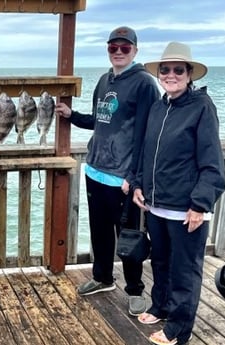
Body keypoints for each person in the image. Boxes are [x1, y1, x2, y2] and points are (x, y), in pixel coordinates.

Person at [55, 26, 160, 316]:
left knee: (129, 237)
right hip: (96, 170)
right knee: (100, 233)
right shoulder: (104, 80)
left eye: (124, 48)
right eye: (113, 47)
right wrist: (71, 116)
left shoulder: (145, 84)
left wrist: (134, 177)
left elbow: (146, 136)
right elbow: (101, 121)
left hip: (124, 180)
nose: (118, 52)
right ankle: (102, 278)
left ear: (135, 51)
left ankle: (136, 289)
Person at [133, 42, 225, 345]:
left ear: (189, 75)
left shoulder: (202, 107)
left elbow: (212, 164)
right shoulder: (159, 107)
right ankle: (160, 306)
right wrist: (137, 184)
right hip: (157, 207)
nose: (171, 74)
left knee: (185, 272)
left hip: (188, 210)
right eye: (165, 69)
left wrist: (200, 204)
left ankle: (178, 329)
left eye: (178, 70)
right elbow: (147, 153)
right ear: (159, 73)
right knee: (159, 263)